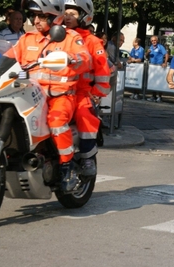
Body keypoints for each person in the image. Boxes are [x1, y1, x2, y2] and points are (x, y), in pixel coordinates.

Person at [12, 0, 91, 191]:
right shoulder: (26, 39)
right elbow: (10, 59)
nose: (36, 20)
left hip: (60, 96)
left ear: (55, 17)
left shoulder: (70, 37)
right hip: (30, 95)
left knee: (56, 122)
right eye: (34, 16)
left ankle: (67, 166)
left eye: (41, 16)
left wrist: (71, 58)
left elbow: (85, 59)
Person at [63, 0, 111, 176]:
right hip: (57, 90)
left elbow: (103, 72)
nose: (68, 17)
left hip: (82, 93)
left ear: (85, 16)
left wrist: (96, 94)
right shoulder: (57, 36)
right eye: (65, 13)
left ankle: (87, 157)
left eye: (73, 14)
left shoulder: (92, 42)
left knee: (85, 116)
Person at [146, 35, 168, 102]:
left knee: (159, 82)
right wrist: (147, 52)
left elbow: (166, 54)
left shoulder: (160, 47)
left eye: (154, 40)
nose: (153, 42)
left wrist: (165, 62)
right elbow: (146, 56)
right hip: (152, 67)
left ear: (157, 40)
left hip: (159, 67)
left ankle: (160, 97)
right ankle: (153, 96)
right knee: (153, 81)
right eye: (152, 41)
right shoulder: (151, 47)